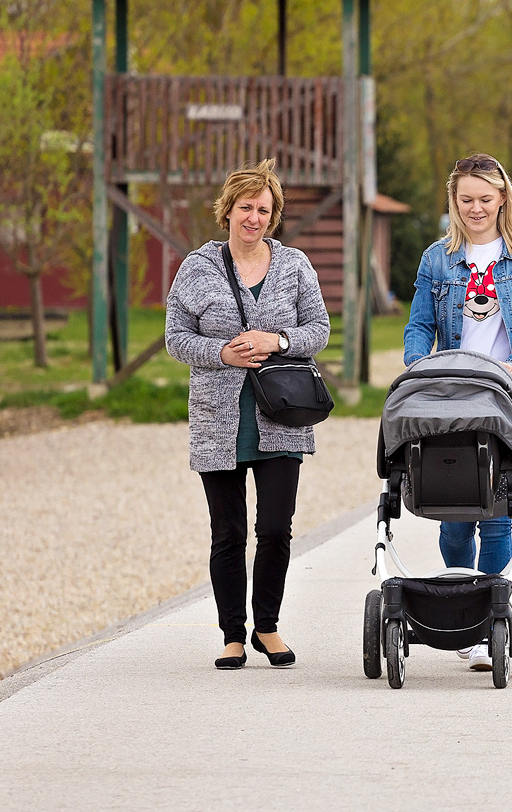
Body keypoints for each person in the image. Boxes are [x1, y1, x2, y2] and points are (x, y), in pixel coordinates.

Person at [165, 159, 331, 671]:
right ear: (228, 210)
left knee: (276, 529)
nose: (253, 218)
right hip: (218, 419)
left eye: (263, 209)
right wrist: (222, 353)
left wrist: (277, 340)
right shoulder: (198, 267)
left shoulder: (294, 265)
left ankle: (267, 627)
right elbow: (175, 338)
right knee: (228, 533)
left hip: (282, 416)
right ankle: (232, 635)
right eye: (245, 208)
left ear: (273, 216)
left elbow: (319, 329)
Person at [403, 152, 512, 672]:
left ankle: (489, 621)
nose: (475, 208)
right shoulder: (437, 259)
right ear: (454, 200)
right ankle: (460, 609)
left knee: (496, 513)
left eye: (485, 199)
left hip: (508, 395)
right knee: (453, 514)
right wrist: (418, 364)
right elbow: (420, 323)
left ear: (502, 199)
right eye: (465, 199)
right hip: (450, 396)